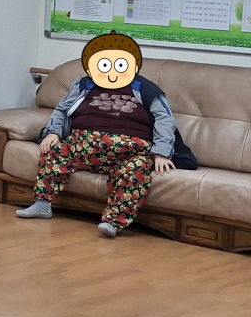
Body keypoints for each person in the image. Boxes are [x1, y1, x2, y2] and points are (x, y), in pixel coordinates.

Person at [15, 31, 191, 238]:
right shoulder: (83, 85)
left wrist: (161, 153)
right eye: (104, 65)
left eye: (121, 65)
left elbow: (165, 120)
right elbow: (62, 110)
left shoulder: (146, 89)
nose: (112, 72)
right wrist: (53, 132)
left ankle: (113, 222)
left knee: (135, 170)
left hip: (129, 152)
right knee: (53, 150)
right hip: (82, 146)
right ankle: (42, 204)